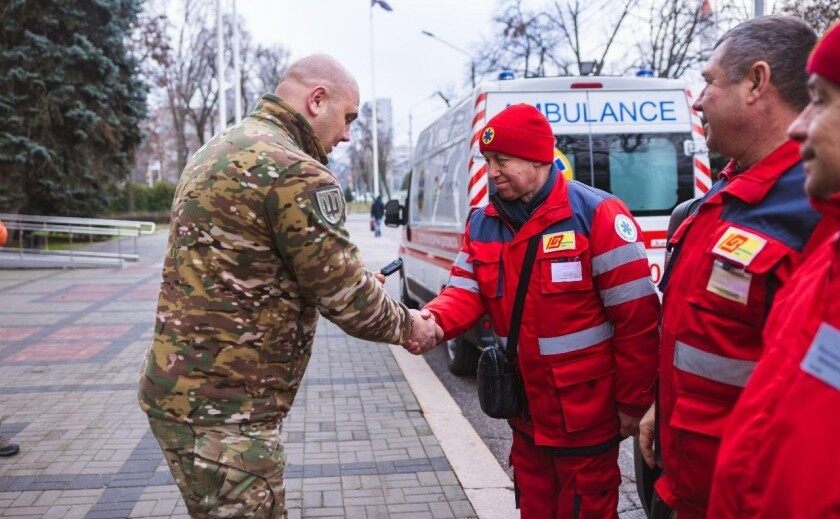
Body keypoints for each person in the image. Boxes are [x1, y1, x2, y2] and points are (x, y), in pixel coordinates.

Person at [138, 54, 440, 518]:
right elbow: (349, 300)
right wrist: (411, 326)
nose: (347, 135)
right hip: (228, 412)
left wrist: (343, 280)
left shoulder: (219, 147)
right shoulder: (295, 171)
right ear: (317, 100)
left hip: (183, 392)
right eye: (348, 118)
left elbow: (253, 263)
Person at [417, 104, 660, 518]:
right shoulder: (483, 222)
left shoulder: (596, 216)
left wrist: (633, 405)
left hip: (586, 415)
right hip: (525, 414)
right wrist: (432, 321)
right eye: (488, 161)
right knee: (533, 506)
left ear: (538, 158)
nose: (492, 172)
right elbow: (463, 290)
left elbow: (638, 321)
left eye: (502, 160)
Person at [637, 16, 831, 519]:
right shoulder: (724, 194)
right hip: (685, 483)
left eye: (709, 81)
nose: (698, 101)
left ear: (756, 82)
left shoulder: (812, 210)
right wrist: (662, 404)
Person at [708, 21, 840, 518]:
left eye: (821, 100)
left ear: (756, 82)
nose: (800, 126)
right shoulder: (825, 264)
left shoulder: (806, 224)